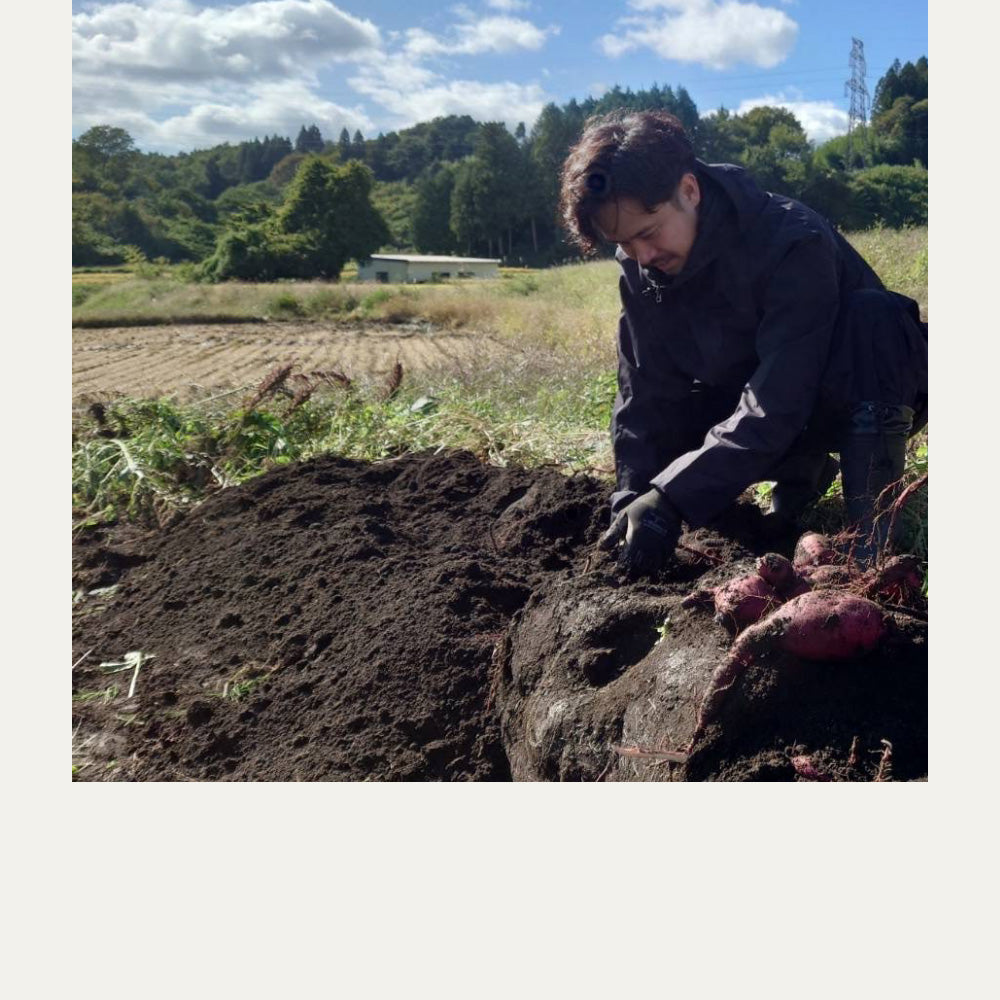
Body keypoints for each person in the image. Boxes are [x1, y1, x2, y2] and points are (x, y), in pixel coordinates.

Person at [558, 109, 927, 577]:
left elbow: (781, 396)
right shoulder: (642, 269)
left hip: (855, 387)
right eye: (625, 245)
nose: (643, 256)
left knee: (874, 317)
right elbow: (642, 394)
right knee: (668, 414)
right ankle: (803, 473)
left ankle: (869, 537)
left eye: (648, 233)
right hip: (759, 395)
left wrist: (673, 497)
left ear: (689, 191)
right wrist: (633, 497)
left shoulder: (792, 239)